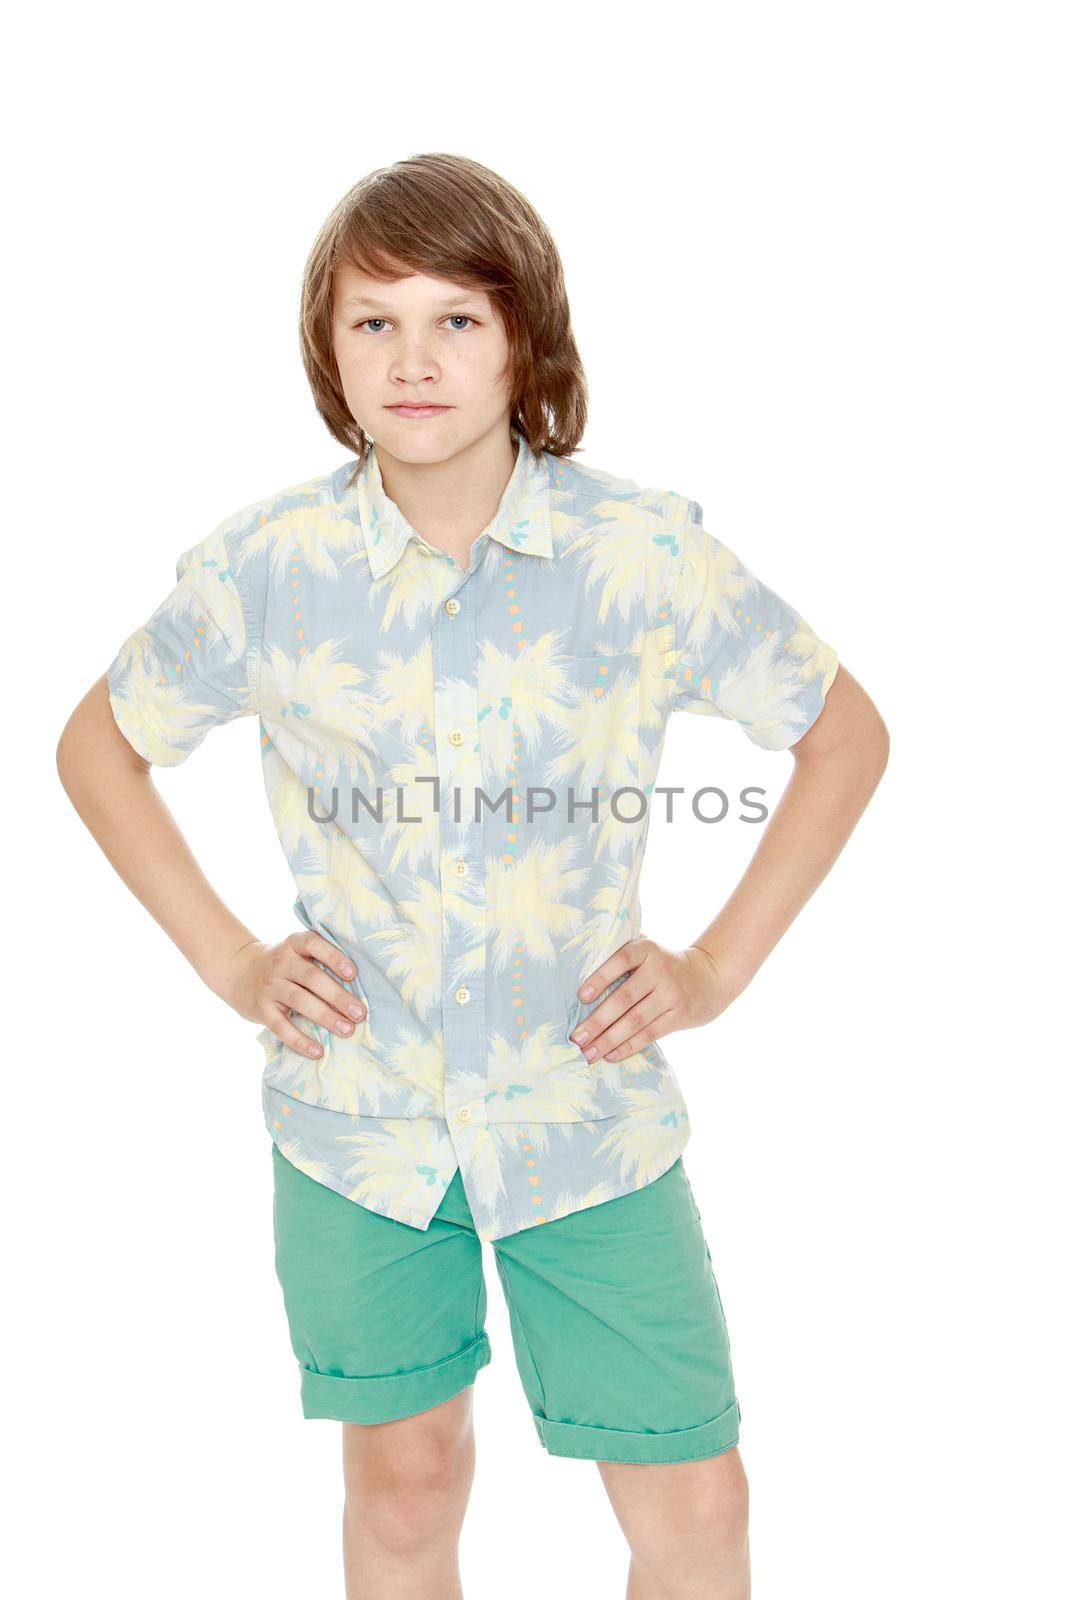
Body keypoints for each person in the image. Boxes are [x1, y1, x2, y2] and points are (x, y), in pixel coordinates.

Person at [57, 152, 889, 1600]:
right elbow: (96, 749)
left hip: (587, 1113)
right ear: (326, 348)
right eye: (373, 321)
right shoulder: (268, 568)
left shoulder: (640, 555)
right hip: (356, 1120)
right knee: (402, 1481)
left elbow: (844, 736)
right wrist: (230, 960)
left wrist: (714, 966)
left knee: (693, 1494)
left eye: (457, 318)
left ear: (527, 339)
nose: (414, 358)